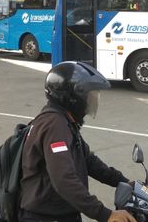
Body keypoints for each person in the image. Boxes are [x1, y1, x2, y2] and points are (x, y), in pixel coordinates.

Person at [19, 61, 137, 222]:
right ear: (73, 97)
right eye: (90, 95)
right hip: (45, 217)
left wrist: (124, 182)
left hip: (61, 214)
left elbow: (88, 160)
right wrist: (105, 214)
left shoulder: (64, 120)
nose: (93, 101)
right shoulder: (55, 125)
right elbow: (63, 179)